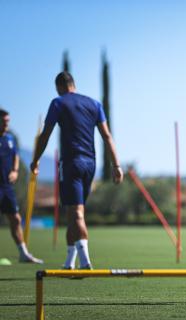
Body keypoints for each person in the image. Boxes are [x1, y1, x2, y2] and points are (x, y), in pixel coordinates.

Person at [30, 71, 123, 269]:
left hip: (71, 163)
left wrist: (36, 160)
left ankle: (85, 261)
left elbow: (45, 135)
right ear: (74, 84)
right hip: (91, 164)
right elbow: (107, 136)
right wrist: (116, 165)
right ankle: (69, 262)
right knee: (73, 213)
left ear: (59, 87)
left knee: (76, 213)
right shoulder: (94, 104)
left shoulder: (58, 103)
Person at [0, 109, 43, 264]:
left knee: (16, 219)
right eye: (3, 122)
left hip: (6, 187)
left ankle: (23, 254)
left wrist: (15, 171)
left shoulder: (9, 139)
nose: (6, 124)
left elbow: (15, 155)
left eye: (7, 121)